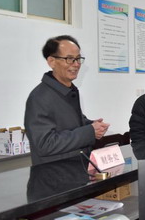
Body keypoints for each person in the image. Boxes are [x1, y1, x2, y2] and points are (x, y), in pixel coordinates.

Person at [24, 35, 109, 165]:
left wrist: (92, 125)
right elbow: (44, 144)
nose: (76, 64)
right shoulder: (40, 97)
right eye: (69, 59)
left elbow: (70, 124)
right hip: (55, 173)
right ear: (52, 61)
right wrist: (89, 131)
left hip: (77, 168)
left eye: (78, 59)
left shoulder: (68, 91)